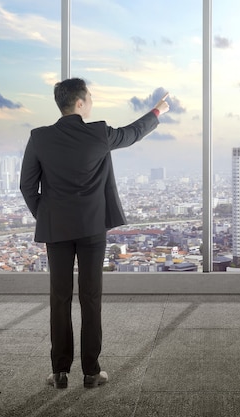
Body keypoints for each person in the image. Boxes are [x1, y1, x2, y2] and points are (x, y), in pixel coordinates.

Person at [20, 78, 169, 389]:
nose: (91, 102)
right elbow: (132, 133)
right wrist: (157, 111)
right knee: (91, 298)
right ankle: (91, 372)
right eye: (89, 98)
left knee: (59, 299)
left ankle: (60, 372)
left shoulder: (39, 137)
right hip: (91, 229)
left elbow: (27, 186)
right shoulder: (98, 133)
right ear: (79, 103)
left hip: (56, 230)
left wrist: (46, 216)